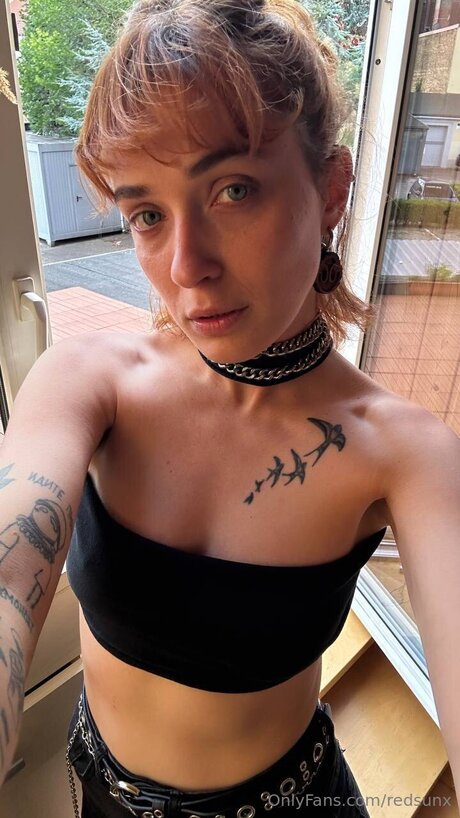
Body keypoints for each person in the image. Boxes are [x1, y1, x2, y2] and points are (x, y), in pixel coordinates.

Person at [0, 0, 459, 815]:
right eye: (147, 214)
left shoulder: (406, 453)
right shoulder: (89, 380)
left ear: (332, 190)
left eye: (232, 190)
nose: (186, 266)